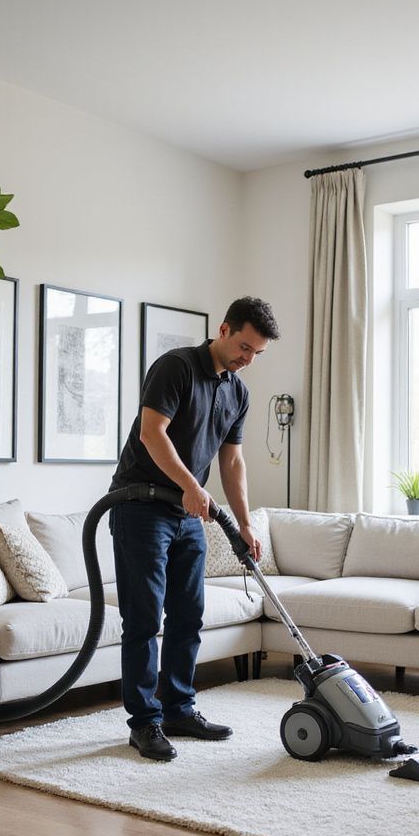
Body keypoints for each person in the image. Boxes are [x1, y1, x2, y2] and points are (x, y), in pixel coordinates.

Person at [109, 296, 280, 761]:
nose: (248, 359)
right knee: (144, 620)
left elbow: (232, 460)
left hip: (189, 516)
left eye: (257, 354)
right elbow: (152, 433)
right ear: (223, 330)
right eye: (245, 347)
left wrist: (243, 523)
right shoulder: (176, 368)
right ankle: (144, 723)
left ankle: (179, 709)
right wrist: (189, 485)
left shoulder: (238, 392)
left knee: (188, 616)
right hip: (141, 507)